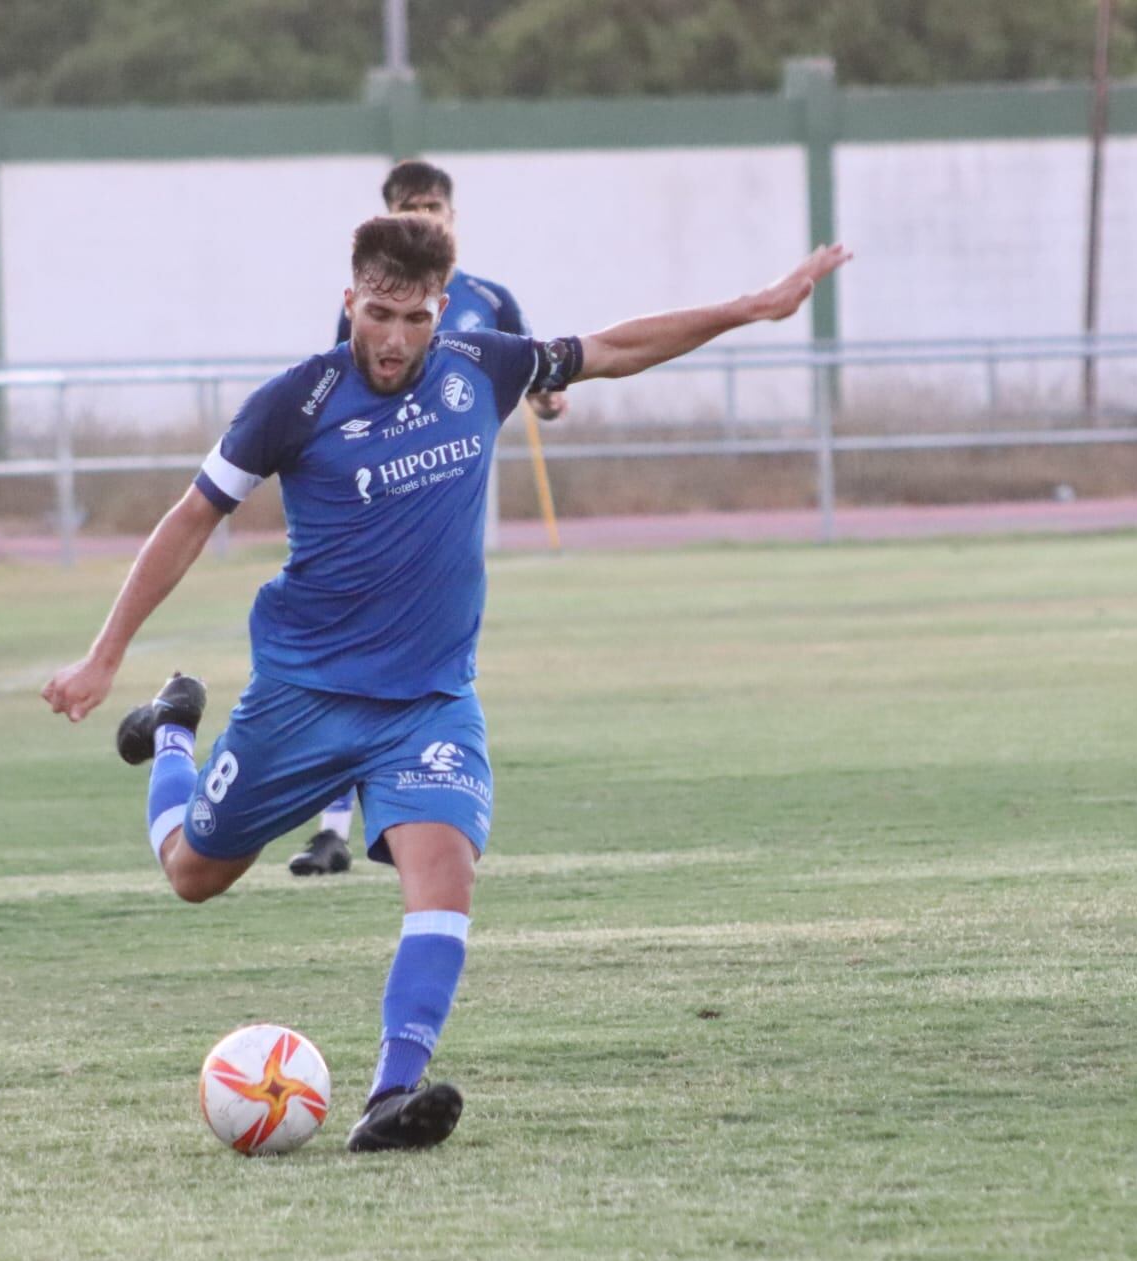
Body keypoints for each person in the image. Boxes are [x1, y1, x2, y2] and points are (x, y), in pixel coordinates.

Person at [41, 212, 848, 1153]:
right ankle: (175, 734)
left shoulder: (483, 366)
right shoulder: (295, 403)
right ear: (349, 302)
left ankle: (393, 1092)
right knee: (193, 875)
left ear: (440, 309)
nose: (394, 338)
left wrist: (754, 307)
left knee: (444, 876)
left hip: (428, 701)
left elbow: (618, 347)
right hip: (303, 694)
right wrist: (105, 654)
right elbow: (190, 518)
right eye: (378, 313)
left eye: (416, 316)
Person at [291, 157, 564, 879]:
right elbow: (336, 387)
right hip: (375, 510)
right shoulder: (370, 305)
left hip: (445, 508)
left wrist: (546, 399)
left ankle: (400, 816)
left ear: (452, 215)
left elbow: (538, 373)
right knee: (358, 666)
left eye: (436, 207)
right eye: (412, 208)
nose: (428, 218)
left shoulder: (486, 300)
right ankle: (333, 827)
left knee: (414, 676)